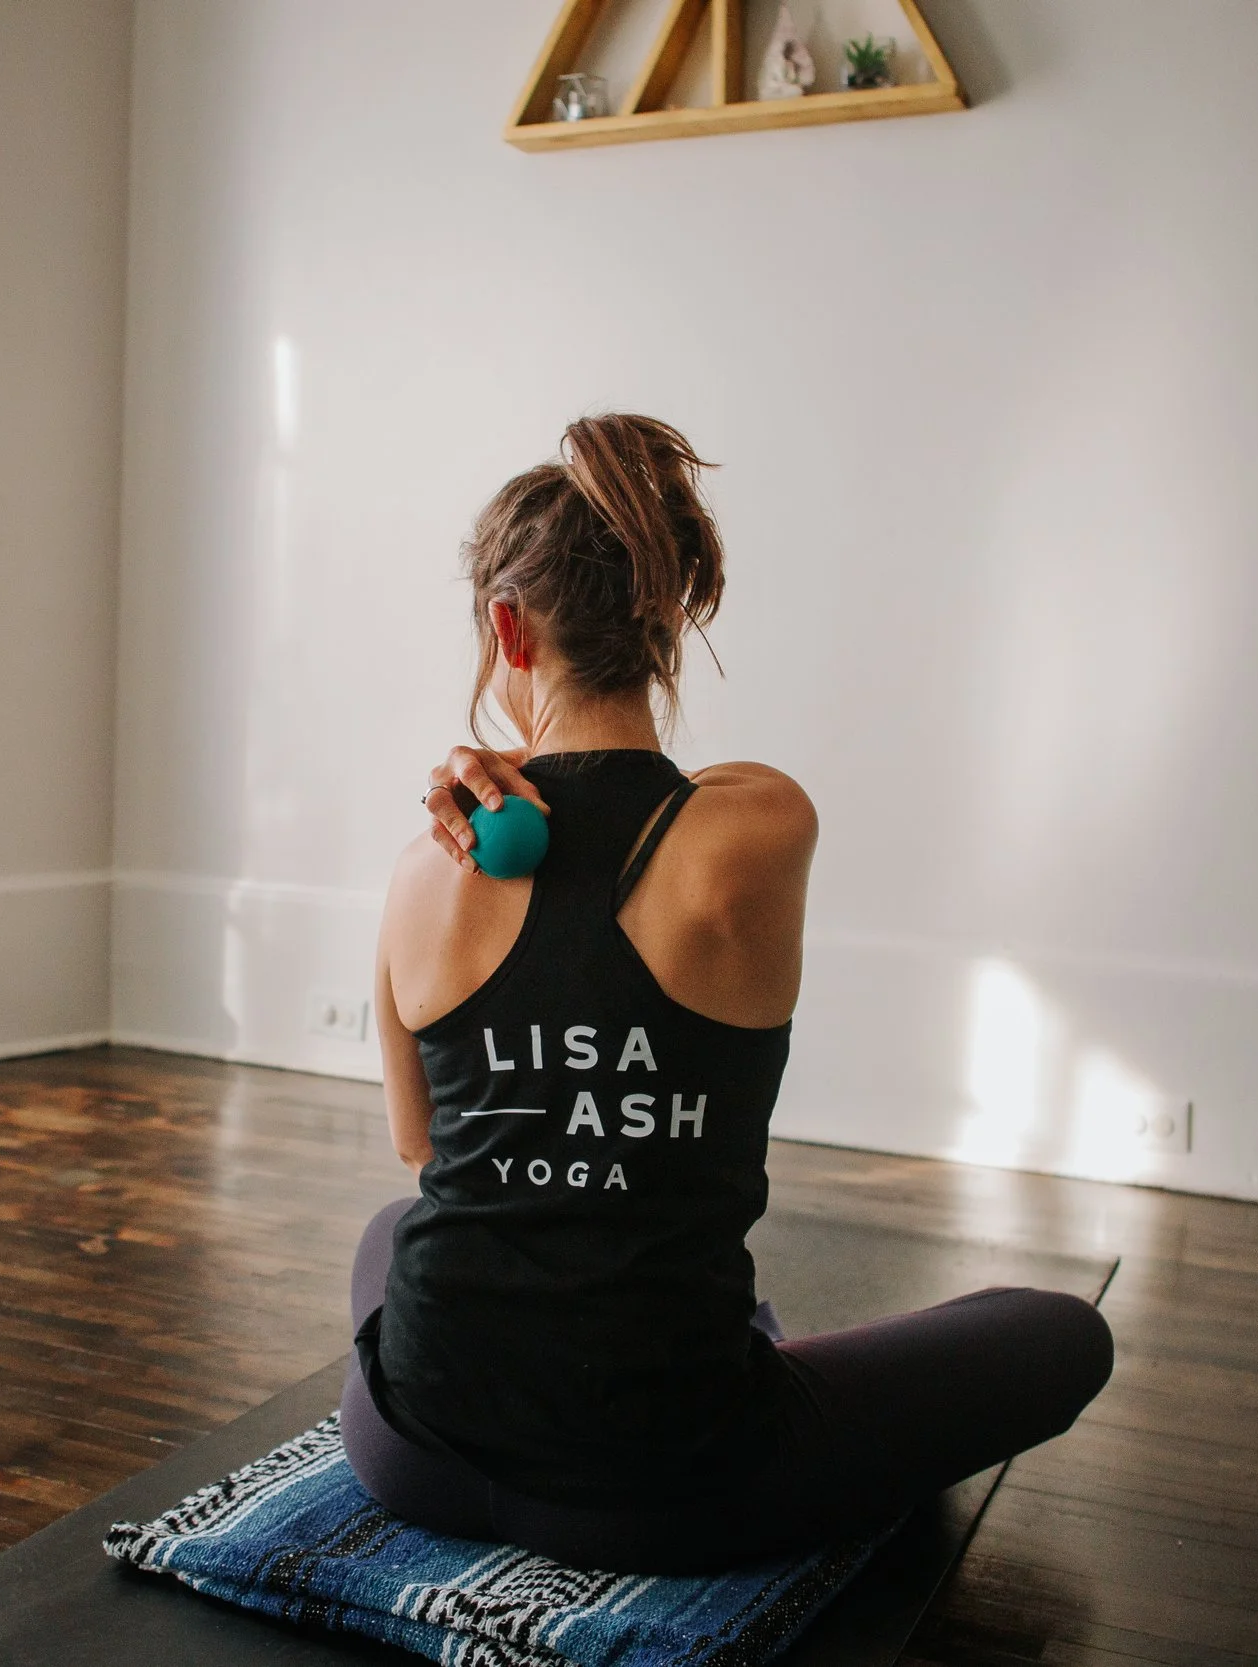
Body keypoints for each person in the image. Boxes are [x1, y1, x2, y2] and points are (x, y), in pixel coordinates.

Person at [344, 413, 1112, 1574]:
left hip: (412, 1450)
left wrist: (483, 776)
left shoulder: (420, 868)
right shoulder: (759, 823)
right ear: (668, 611)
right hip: (662, 1481)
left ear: (506, 626)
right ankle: (751, 1357)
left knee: (397, 1229)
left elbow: (421, 1146)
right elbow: (679, 788)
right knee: (1061, 1333)